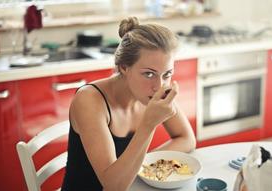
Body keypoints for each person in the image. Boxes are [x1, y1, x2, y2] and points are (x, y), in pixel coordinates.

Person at [61, 17, 196, 191]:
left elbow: (187, 139)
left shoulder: (153, 91)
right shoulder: (90, 100)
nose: (159, 86)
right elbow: (113, 186)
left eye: (167, 74)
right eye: (148, 74)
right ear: (124, 67)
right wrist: (149, 124)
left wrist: (137, 166)